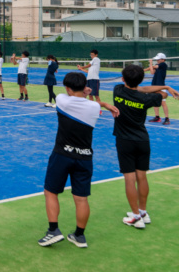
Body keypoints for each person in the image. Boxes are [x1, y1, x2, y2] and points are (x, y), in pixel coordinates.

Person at [37, 72, 119, 250]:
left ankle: (53, 231)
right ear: (84, 87)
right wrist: (102, 102)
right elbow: (91, 103)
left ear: (67, 88)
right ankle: (79, 236)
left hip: (61, 155)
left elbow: (69, 97)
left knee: (51, 192)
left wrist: (82, 92)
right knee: (81, 199)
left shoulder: (61, 100)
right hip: (84, 157)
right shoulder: (92, 108)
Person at [113, 64, 179, 229]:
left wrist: (155, 88)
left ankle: (136, 216)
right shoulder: (147, 99)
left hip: (125, 141)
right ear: (141, 80)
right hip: (143, 141)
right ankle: (143, 212)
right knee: (141, 177)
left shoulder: (118, 90)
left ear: (123, 79)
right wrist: (165, 87)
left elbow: (140, 89)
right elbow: (160, 94)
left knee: (130, 179)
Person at [146, 53, 171, 125]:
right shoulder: (157, 66)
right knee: (155, 102)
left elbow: (154, 67)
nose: (157, 60)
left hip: (161, 86)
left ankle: (167, 118)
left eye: (158, 59)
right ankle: (157, 117)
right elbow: (151, 72)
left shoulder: (163, 64)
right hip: (154, 86)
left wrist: (151, 63)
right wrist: (150, 64)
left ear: (163, 59)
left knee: (163, 103)